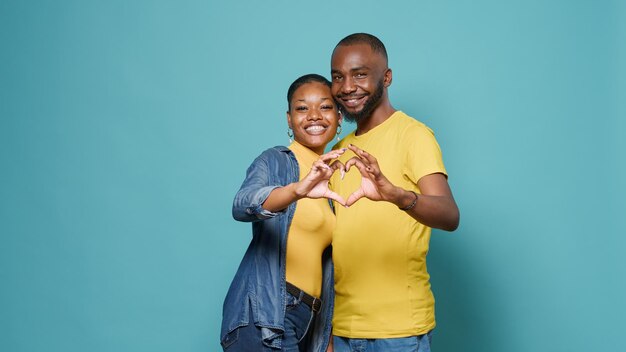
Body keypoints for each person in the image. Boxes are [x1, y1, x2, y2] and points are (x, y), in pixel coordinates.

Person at [327, 33, 460, 352]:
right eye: (338, 77)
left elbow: (449, 214)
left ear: (386, 78)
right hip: (342, 329)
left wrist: (396, 195)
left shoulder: (413, 135)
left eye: (360, 74)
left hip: (398, 332)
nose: (347, 86)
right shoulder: (338, 150)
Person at [221, 74, 345, 352]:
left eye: (325, 107)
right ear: (289, 119)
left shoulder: (334, 177)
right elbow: (242, 204)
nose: (314, 116)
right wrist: (297, 190)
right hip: (266, 314)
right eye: (302, 108)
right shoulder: (276, 160)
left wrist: (327, 336)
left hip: (308, 320)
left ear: (339, 117)